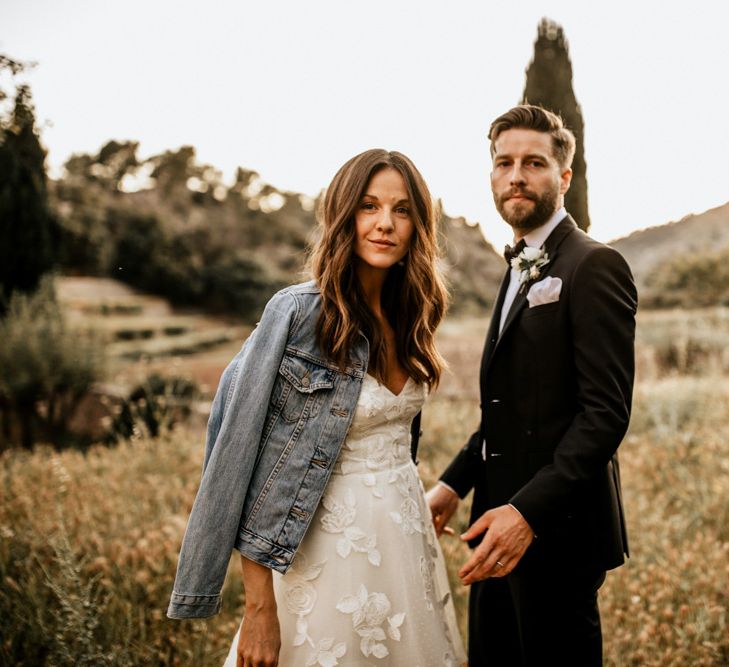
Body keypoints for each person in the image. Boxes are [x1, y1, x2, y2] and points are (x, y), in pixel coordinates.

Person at [167, 148, 466, 667]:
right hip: (323, 554)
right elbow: (236, 458)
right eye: (368, 206)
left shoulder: (414, 316)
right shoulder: (297, 314)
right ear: (344, 214)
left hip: (406, 542)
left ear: (419, 225)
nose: (384, 224)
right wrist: (259, 608)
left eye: (401, 211)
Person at [427, 104, 637, 666]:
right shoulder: (519, 264)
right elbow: (509, 407)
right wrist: (453, 485)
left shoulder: (595, 265)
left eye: (533, 163)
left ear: (564, 178)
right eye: (503, 163)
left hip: (557, 531)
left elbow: (605, 415)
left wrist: (528, 516)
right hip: (493, 521)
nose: (515, 175)